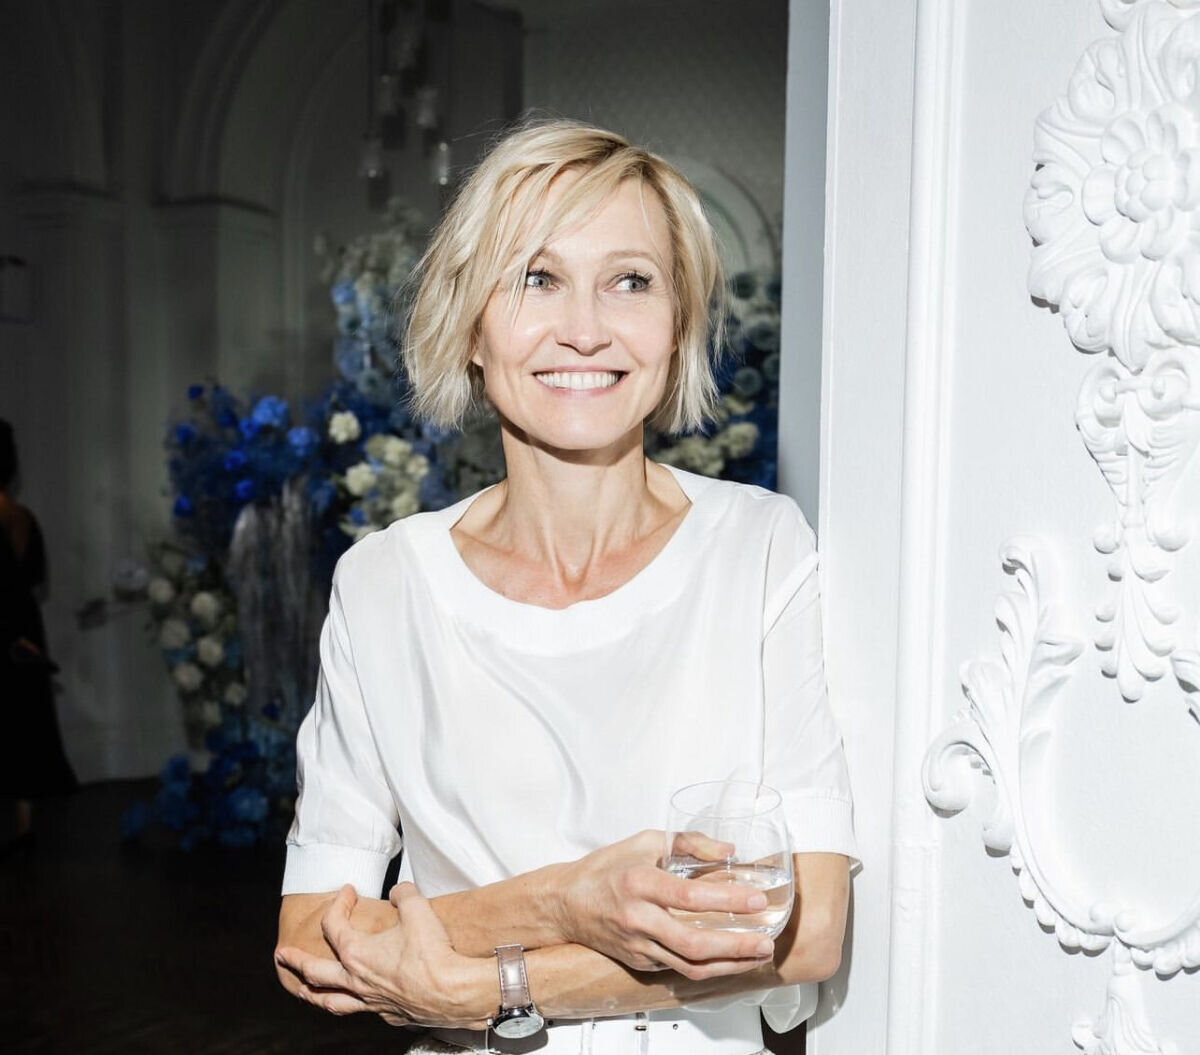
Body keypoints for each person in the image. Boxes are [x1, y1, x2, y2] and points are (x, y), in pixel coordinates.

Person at [274, 120, 858, 1054]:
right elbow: (312, 940)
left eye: (631, 281)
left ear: (678, 325)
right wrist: (563, 902)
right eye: (536, 278)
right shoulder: (384, 584)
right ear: (470, 325)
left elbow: (808, 928)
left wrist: (485, 987)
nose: (585, 328)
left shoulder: (757, 546)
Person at [0, 419, 77, 855]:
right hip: (24, 623)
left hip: (7, 626)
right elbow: (35, 577)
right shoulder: (24, 516)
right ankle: (24, 825)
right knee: (24, 721)